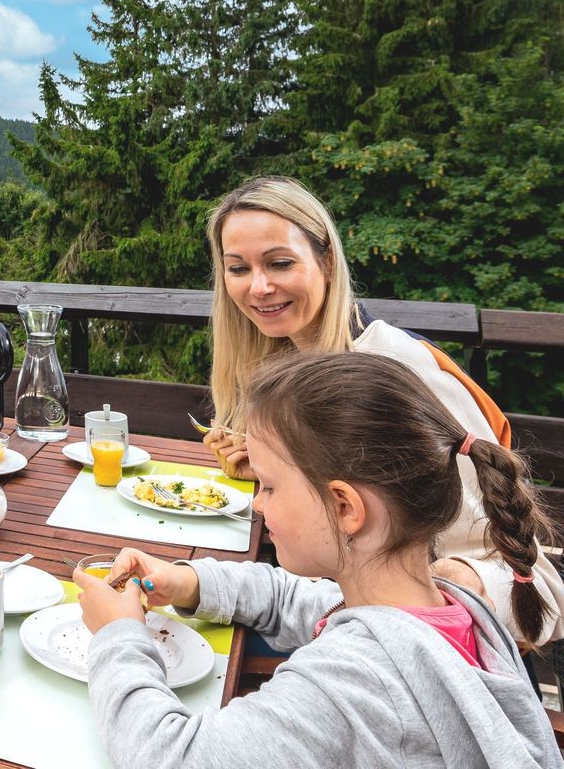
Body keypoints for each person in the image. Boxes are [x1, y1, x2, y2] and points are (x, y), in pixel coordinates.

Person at [75, 351, 563, 769]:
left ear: (346, 508)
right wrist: (187, 582)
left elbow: (168, 756)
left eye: (268, 485)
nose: (259, 504)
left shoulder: (351, 682)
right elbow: (296, 598)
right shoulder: (443, 608)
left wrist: (118, 635)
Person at [200, 175, 563, 645]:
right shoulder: (289, 362)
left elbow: (532, 583)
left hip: (427, 658)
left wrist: (438, 591)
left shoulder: (398, 370)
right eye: (238, 268)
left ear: (326, 260)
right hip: (335, 617)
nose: (260, 286)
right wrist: (280, 474)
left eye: (280, 263)